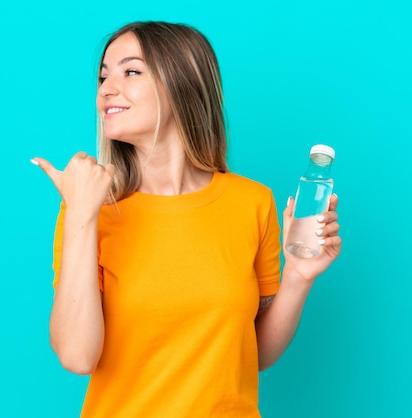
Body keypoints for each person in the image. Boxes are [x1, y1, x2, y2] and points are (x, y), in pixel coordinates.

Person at [30, 21, 341, 418]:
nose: (106, 88)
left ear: (183, 83)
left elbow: (253, 354)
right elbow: (76, 356)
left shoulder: (252, 202)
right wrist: (81, 216)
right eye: (103, 75)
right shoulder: (91, 208)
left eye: (131, 71)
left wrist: (298, 276)